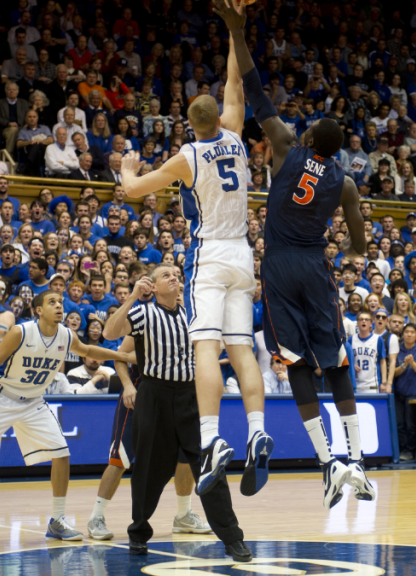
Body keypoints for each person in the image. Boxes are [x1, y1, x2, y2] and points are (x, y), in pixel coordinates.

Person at [215, 0, 375, 509]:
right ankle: (356, 459)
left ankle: (327, 462)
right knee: (336, 360)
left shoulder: (284, 143)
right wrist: (346, 252)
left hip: (280, 266)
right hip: (315, 265)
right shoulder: (346, 184)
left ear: (308, 139)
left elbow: (255, 86)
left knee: (297, 362)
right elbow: (359, 245)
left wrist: (237, 29)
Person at [118, 4, 273, 500]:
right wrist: (234, 29)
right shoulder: (236, 136)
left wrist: (125, 166)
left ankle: (210, 440)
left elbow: (135, 191)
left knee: (204, 345)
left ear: (189, 122)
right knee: (242, 348)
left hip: (208, 255)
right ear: (220, 118)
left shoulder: (187, 156)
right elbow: (236, 83)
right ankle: (256, 430)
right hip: (244, 254)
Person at [0, 291, 133, 546]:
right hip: (1, 397)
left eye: (60, 302)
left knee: (62, 453)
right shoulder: (20, 332)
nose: (59, 306)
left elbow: (88, 349)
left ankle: (57, 520)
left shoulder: (66, 335)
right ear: (38, 310)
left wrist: (122, 356)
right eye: (52, 303)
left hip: (33, 400)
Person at [101, 264, 253, 561]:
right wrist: (133, 296)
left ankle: (233, 538)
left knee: (210, 468)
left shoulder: (194, 316)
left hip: (190, 397)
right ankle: (139, 532)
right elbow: (109, 332)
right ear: (153, 287)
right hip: (154, 394)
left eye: (176, 275)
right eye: (166, 275)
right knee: (147, 469)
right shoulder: (144, 313)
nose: (174, 278)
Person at [86, 337, 211, 540]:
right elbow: (120, 357)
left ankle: (183, 515)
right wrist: (127, 385)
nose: (179, 301)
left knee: (185, 456)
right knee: (120, 459)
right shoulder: (143, 319)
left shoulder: (190, 323)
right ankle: (96, 517)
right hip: (138, 396)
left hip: (177, 399)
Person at [393, 323, 416, 460]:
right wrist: (404, 364)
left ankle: (411, 451)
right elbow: (394, 373)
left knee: (411, 425)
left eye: (412, 332)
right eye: (406, 332)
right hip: (398, 394)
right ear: (402, 335)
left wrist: (412, 363)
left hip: (414, 394)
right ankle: (402, 450)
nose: (409, 334)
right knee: (400, 424)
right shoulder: (397, 350)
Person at [350, 311, 387, 393]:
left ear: (371, 323)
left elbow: (382, 361)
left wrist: (384, 382)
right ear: (357, 323)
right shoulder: (351, 339)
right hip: (355, 384)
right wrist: (352, 366)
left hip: (372, 384)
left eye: (366, 320)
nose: (364, 321)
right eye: (361, 319)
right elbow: (346, 360)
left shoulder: (378, 339)